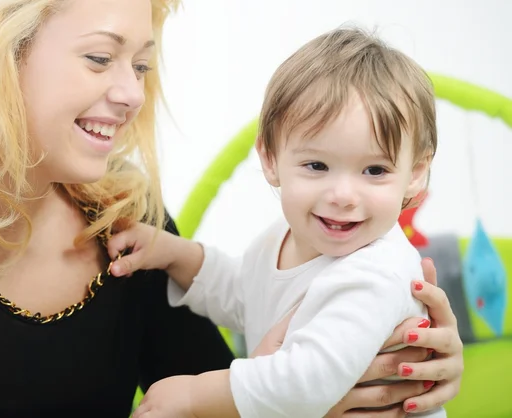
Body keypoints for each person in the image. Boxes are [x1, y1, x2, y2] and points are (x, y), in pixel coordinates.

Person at [0, 1, 462, 417]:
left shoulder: (123, 212)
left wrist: (386, 372)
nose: (132, 93)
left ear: (417, 172)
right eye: (100, 58)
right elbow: (243, 297)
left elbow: (224, 377)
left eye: (142, 66)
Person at [105, 28, 460, 417]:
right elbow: (246, 294)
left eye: (374, 170)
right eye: (317, 165)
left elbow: (309, 380)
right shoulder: (285, 237)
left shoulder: (376, 272)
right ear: (270, 158)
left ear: (415, 173)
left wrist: (196, 395)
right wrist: (177, 255)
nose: (343, 194)